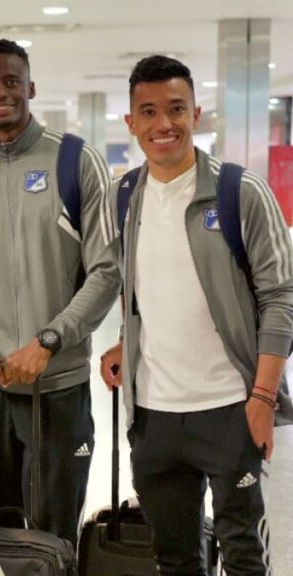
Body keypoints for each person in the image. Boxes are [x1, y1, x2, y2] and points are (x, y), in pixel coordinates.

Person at [99, 55, 291, 575]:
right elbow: (139, 289)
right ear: (131, 123)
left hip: (232, 405)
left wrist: (263, 397)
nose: (164, 124)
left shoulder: (239, 192)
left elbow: (280, 298)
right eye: (150, 111)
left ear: (197, 114)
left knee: (244, 555)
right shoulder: (122, 197)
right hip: (154, 415)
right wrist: (127, 342)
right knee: (174, 558)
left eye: (176, 109)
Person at [0, 38, 119, 545]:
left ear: (31, 87)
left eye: (11, 82)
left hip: (57, 389)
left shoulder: (75, 162)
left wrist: (49, 340)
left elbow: (106, 271)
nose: (0, 93)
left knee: (54, 535)